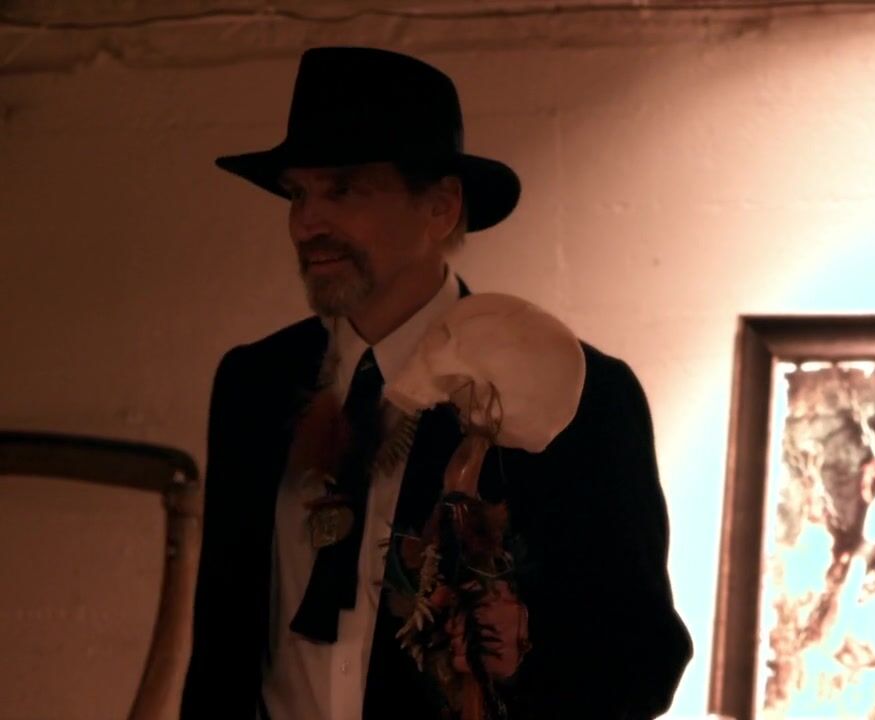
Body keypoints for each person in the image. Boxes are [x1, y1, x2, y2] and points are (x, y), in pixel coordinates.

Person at [180, 46, 692, 719]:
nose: (306, 223)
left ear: (441, 208)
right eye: (298, 193)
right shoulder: (255, 383)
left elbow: (641, 663)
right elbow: (221, 645)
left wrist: (516, 655)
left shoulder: (578, 393)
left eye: (343, 189)